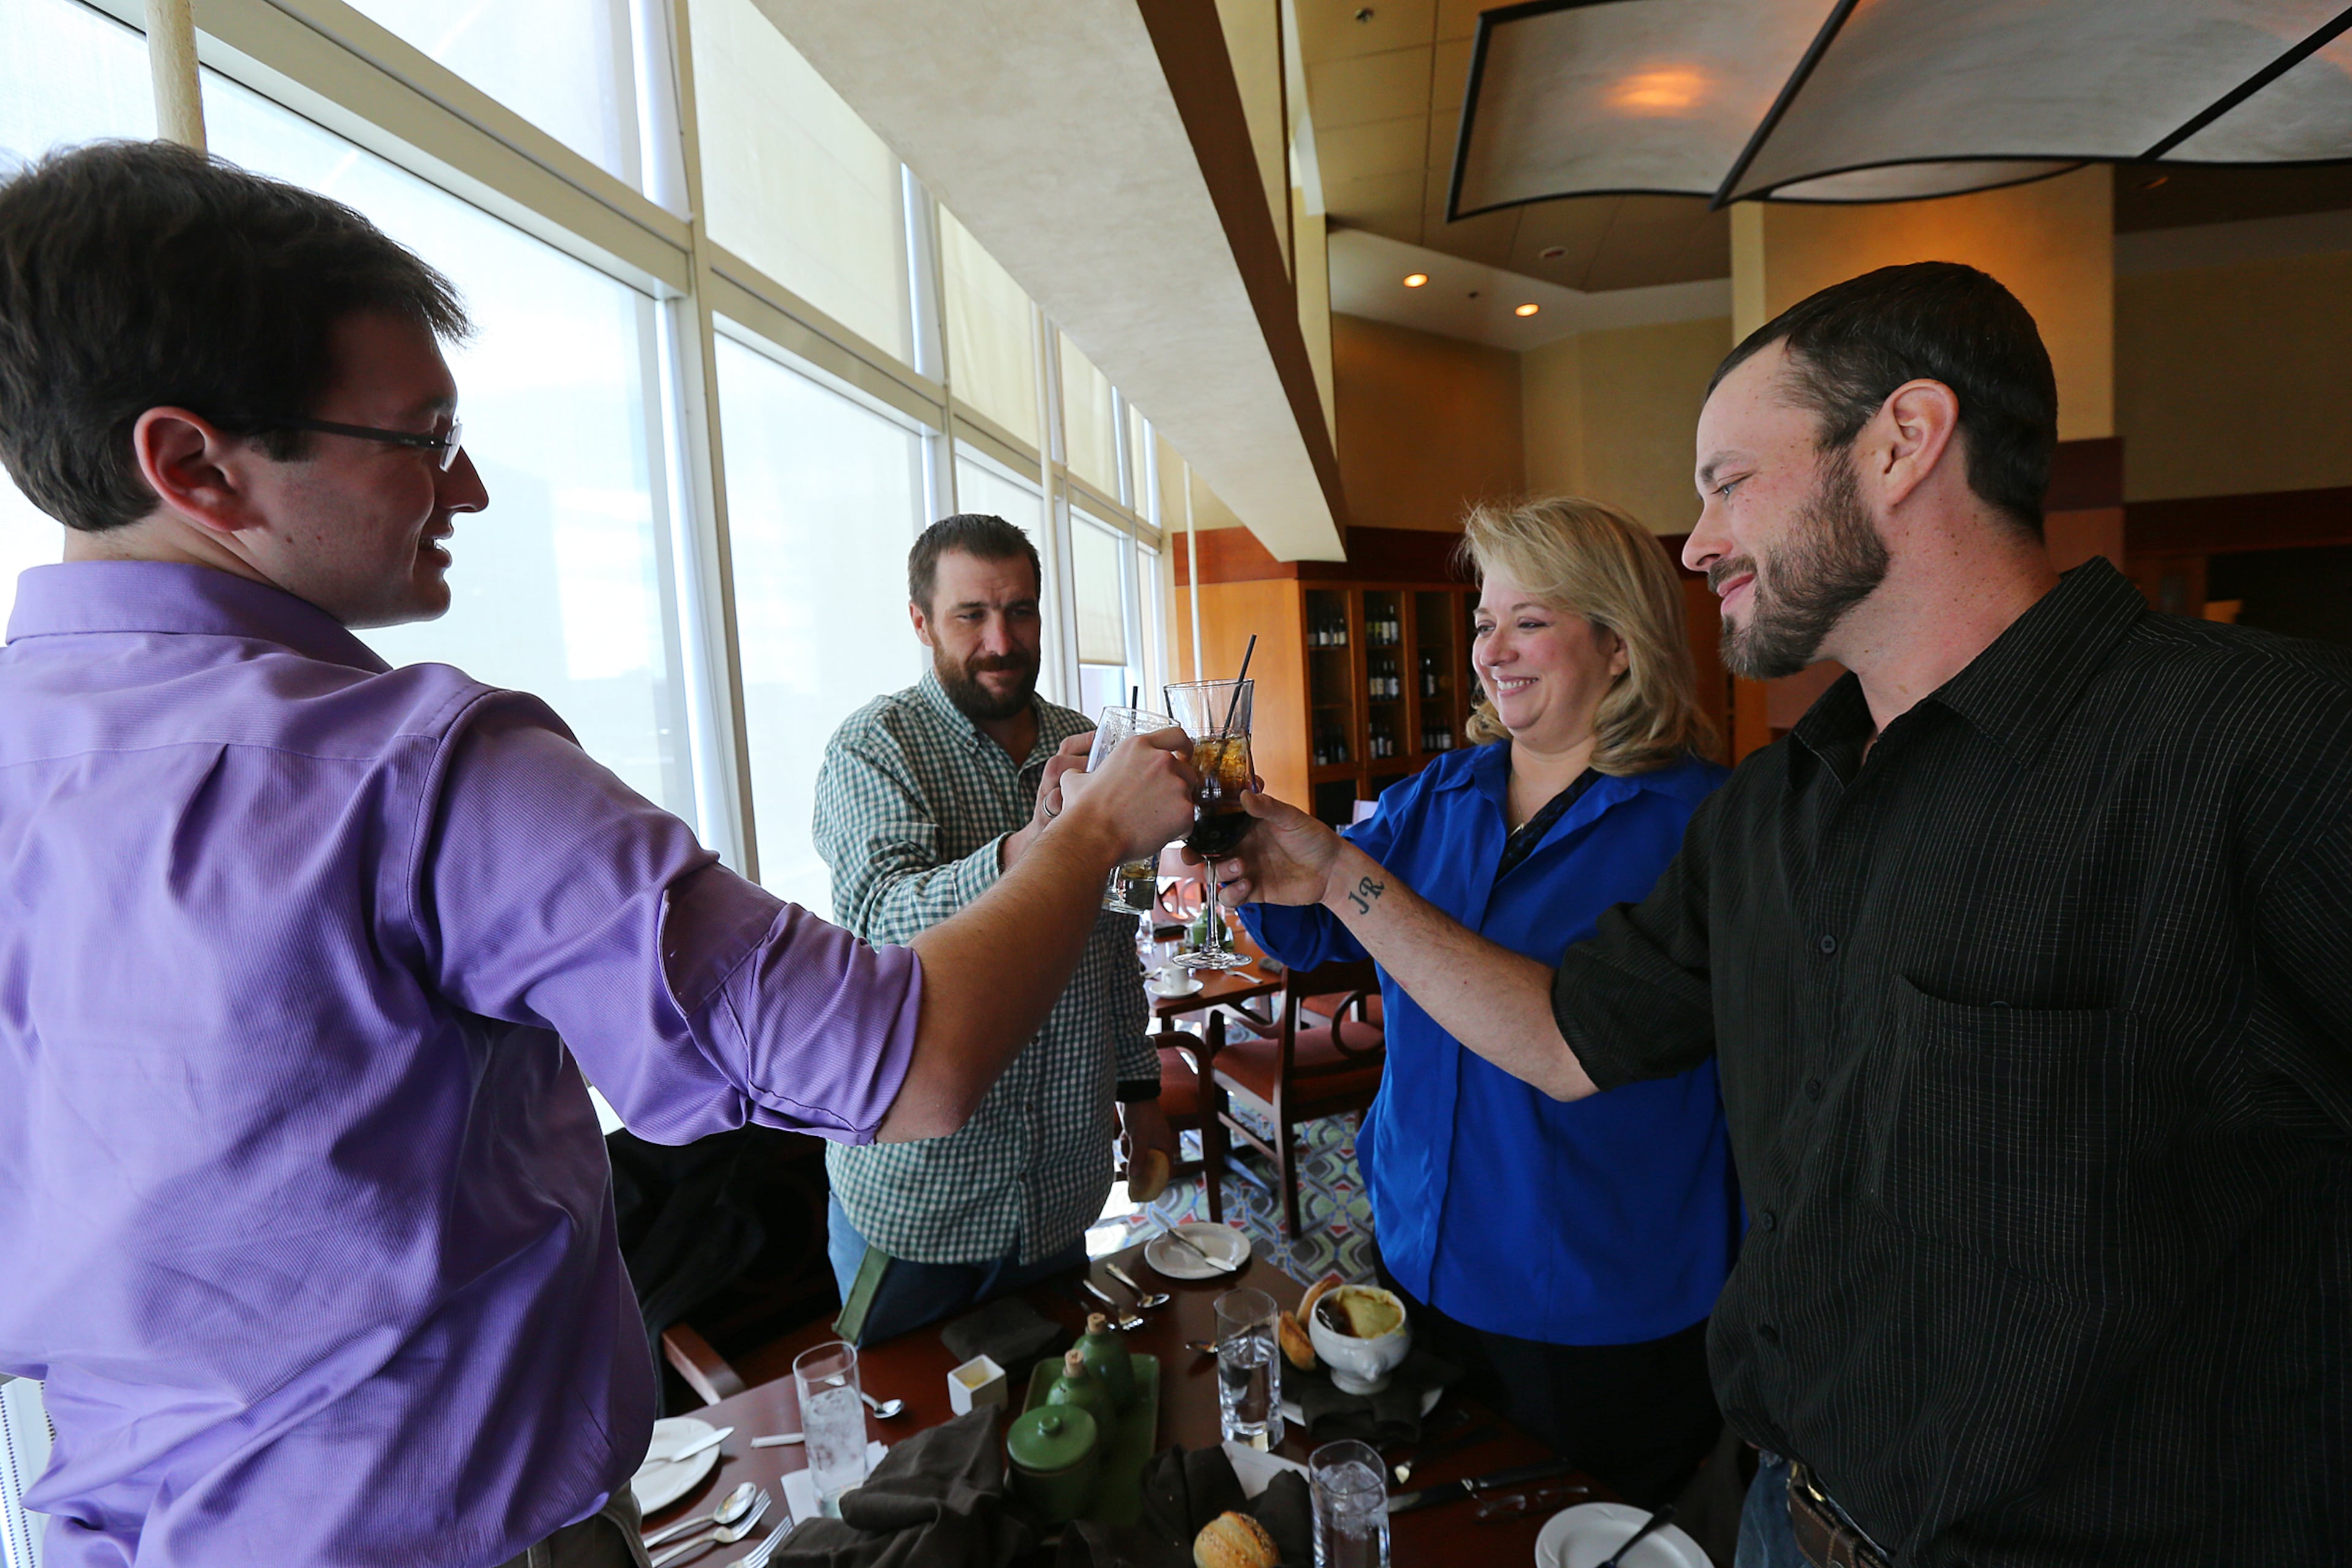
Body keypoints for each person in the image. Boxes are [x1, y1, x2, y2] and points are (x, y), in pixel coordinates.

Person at [0, 141, 1197, 1568]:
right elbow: (905, 1054)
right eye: (425, 438)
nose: (476, 491)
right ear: (193, 461)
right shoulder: (413, 773)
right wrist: (1088, 834)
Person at [1210, 262, 2352, 1566]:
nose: (1695, 546)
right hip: (1779, 1511)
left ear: (1904, 443)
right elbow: (1568, 1035)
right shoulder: (1775, 810)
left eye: (1727, 482)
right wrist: (1322, 869)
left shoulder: (2273, 748)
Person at [1236, 497, 1738, 1506]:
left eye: (1529, 620)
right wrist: (1244, 865)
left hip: (1601, 1298)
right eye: (1482, 622)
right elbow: (1317, 926)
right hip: (1420, 1252)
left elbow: (1572, 1032)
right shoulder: (1441, 795)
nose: (1491, 651)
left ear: (1618, 641)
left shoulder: (1706, 827)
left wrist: (1339, 875)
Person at [811, 513, 1177, 1343]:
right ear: (921, 621)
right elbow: (878, 925)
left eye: (1020, 611)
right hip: (924, 1207)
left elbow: (1118, 940)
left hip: (1061, 1191)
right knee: (917, 1457)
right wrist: (1041, 846)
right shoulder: (876, 747)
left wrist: (1142, 1089)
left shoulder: (1091, 751)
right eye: (971, 615)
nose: (1001, 640)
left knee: (1071, 1427)